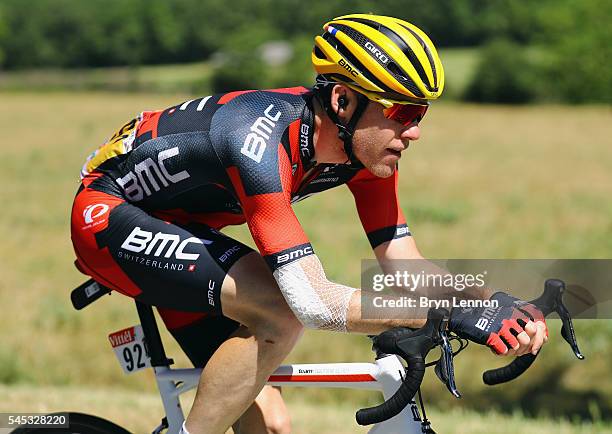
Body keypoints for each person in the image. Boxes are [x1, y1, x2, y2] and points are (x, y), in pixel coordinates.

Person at [70, 14, 548, 434]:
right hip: (107, 217)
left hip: (182, 225)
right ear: (342, 101)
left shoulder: (367, 152)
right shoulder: (256, 141)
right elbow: (313, 302)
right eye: (402, 111)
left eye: (420, 113)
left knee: (271, 425)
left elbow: (403, 263)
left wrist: (490, 302)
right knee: (279, 311)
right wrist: (443, 316)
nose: (415, 130)